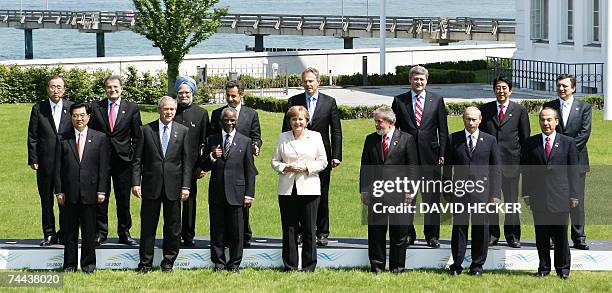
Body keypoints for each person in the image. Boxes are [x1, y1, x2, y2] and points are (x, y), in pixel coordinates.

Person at [281, 67, 342, 247]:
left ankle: (322, 232)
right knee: (298, 195)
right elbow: (286, 128)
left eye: (311, 81)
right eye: (305, 81)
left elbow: (336, 130)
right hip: (297, 156)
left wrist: (336, 155)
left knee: (321, 195)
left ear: (318, 82)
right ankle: (300, 232)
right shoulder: (294, 101)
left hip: (321, 157)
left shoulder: (329, 102)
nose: (308, 84)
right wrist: (285, 154)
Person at [131, 96, 192, 273]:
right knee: (148, 226)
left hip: (174, 187)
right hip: (151, 186)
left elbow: (187, 162)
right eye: (166, 109)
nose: (169, 112)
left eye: (172, 109)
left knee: (173, 227)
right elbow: (137, 160)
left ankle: (168, 262)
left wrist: (186, 186)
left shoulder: (183, 131)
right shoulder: (146, 130)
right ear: (159, 110)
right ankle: (145, 264)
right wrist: (136, 182)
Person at [391, 65, 448, 248]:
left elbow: (443, 130)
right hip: (407, 158)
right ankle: (408, 234)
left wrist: (442, 153)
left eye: (422, 79)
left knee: (431, 198)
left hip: (430, 157)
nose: (419, 82)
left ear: (426, 80)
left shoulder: (437, 100)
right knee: (407, 198)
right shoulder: (399, 101)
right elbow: (394, 130)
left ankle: (432, 235)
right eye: (415, 79)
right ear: (410, 80)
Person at [359, 106, 418, 273]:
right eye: (375, 121)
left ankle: (397, 267)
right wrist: (364, 190)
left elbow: (413, 168)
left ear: (391, 122)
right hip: (376, 193)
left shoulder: (407, 139)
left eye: (380, 121)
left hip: (400, 194)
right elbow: (365, 167)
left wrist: (411, 191)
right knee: (376, 232)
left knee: (399, 232)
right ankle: (377, 266)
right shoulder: (370, 140)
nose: (377, 125)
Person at [522, 107, 579, 279]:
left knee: (561, 235)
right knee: (542, 235)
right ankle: (544, 268)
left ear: (556, 121)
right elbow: (527, 171)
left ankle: (563, 269)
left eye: (549, 120)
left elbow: (574, 171)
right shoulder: (531, 143)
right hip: (538, 197)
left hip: (561, 196)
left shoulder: (568, 143)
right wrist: (525, 193)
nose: (545, 123)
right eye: (542, 120)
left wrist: (574, 195)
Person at [444, 107, 502, 276]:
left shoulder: (490, 140)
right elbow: (447, 168)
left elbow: (496, 169)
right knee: (459, 228)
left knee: (481, 229)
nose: (471, 122)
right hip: (459, 192)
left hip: (483, 193)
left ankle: (477, 266)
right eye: (468, 119)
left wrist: (495, 194)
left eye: (474, 119)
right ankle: (457, 264)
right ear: (463, 119)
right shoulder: (453, 139)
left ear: (480, 119)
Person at [54, 103, 110, 273]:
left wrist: (102, 190)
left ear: (88, 117)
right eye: (75, 116)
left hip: (91, 193)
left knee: (89, 231)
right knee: (70, 231)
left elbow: (104, 168)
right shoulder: (63, 138)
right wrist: (59, 191)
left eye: (82, 115)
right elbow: (58, 167)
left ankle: (88, 265)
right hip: (69, 193)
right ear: (71, 118)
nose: (79, 118)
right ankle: (70, 265)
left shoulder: (99, 138)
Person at [272, 106, 328, 271]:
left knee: (309, 228)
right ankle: (290, 265)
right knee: (289, 228)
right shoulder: (283, 137)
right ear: (289, 121)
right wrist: (285, 167)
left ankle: (309, 266)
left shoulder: (316, 137)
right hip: (287, 188)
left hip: (309, 187)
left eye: (300, 119)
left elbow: (323, 161)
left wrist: (306, 167)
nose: (297, 122)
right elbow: (274, 161)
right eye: (294, 119)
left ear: (306, 121)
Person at [203, 107, 257, 273]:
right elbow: (203, 166)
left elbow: (250, 171)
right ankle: (219, 262)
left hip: (237, 193)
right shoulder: (212, 139)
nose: (229, 123)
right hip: (217, 192)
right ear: (220, 121)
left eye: (232, 120)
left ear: (237, 121)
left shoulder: (245, 141)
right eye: (226, 120)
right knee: (217, 228)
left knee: (237, 231)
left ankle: (234, 263)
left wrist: (249, 194)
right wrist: (212, 156)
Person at [90, 75, 142, 246]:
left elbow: (137, 136)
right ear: (105, 89)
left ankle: (124, 232)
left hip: (123, 161)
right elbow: (91, 134)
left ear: (121, 88)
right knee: (101, 197)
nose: (112, 90)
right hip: (101, 161)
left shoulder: (132, 108)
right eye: (109, 87)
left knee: (123, 199)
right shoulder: (96, 107)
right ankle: (100, 232)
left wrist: (132, 155)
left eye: (115, 87)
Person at [479, 76, 530, 248]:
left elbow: (525, 139)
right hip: (489, 165)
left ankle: (513, 235)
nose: (501, 91)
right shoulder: (485, 110)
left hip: (511, 164)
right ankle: (493, 234)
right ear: (494, 90)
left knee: (511, 202)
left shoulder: (520, 110)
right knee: (491, 201)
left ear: (510, 90)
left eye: (504, 88)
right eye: (498, 88)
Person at [210, 80, 262, 248]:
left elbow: (256, 136)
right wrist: (212, 152)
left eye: (234, 95)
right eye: (228, 95)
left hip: (242, 166)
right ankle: (225, 237)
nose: (230, 99)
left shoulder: (251, 114)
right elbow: (212, 137)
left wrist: (256, 146)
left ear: (242, 95)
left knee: (242, 206)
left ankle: (244, 237)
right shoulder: (218, 113)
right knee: (224, 204)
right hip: (223, 166)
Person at [543, 74, 592, 250]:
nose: (561, 89)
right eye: (558, 86)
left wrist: (564, 152)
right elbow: (547, 132)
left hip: (577, 162)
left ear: (573, 88)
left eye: (564, 86)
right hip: (553, 164)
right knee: (554, 201)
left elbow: (584, 134)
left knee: (576, 200)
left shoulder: (584, 107)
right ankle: (555, 237)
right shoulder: (549, 107)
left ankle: (579, 237)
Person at [27, 75, 73, 246]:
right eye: (53, 86)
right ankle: (49, 234)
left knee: (65, 199)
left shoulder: (71, 108)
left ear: (64, 89)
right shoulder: (39, 108)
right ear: (48, 88)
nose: (56, 90)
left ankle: (64, 232)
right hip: (45, 162)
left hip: (67, 162)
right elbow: (33, 135)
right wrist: (33, 158)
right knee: (46, 200)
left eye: (59, 87)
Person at [173, 76, 209, 247]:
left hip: (192, 166)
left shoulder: (201, 113)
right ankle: (174, 234)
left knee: (189, 202)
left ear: (192, 93)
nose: (184, 95)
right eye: (180, 92)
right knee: (172, 202)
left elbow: (205, 142)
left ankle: (188, 235)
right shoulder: (171, 111)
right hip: (172, 165)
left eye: (187, 92)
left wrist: (202, 166)